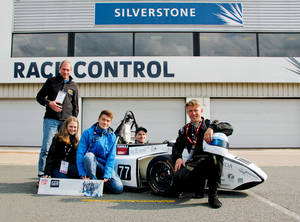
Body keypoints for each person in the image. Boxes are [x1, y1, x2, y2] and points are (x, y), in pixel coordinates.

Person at [172, 99, 233, 208]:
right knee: (177, 179)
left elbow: (229, 128)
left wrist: (212, 129)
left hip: (209, 162)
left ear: (201, 110)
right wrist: (178, 158)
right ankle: (197, 188)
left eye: (196, 110)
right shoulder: (184, 130)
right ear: (187, 112)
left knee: (216, 158)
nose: (193, 113)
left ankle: (212, 196)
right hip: (195, 163)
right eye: (190, 111)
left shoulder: (210, 124)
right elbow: (177, 146)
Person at [36, 60, 79, 177]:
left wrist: (73, 122)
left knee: (64, 149)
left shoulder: (73, 86)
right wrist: (49, 103)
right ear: (59, 69)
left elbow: (75, 106)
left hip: (66, 123)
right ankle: (42, 176)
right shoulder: (51, 82)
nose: (65, 72)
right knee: (46, 148)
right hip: (51, 120)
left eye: (68, 70)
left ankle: (56, 173)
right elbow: (39, 97)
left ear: (71, 71)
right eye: (64, 69)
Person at [76, 110, 123, 194]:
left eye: (108, 121)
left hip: (103, 167)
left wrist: (107, 174)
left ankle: (100, 182)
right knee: (89, 156)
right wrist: (82, 173)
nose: (105, 122)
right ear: (98, 119)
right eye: (103, 119)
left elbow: (111, 157)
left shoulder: (112, 136)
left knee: (118, 188)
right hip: (91, 164)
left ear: (110, 123)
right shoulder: (87, 133)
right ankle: (93, 182)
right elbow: (80, 154)